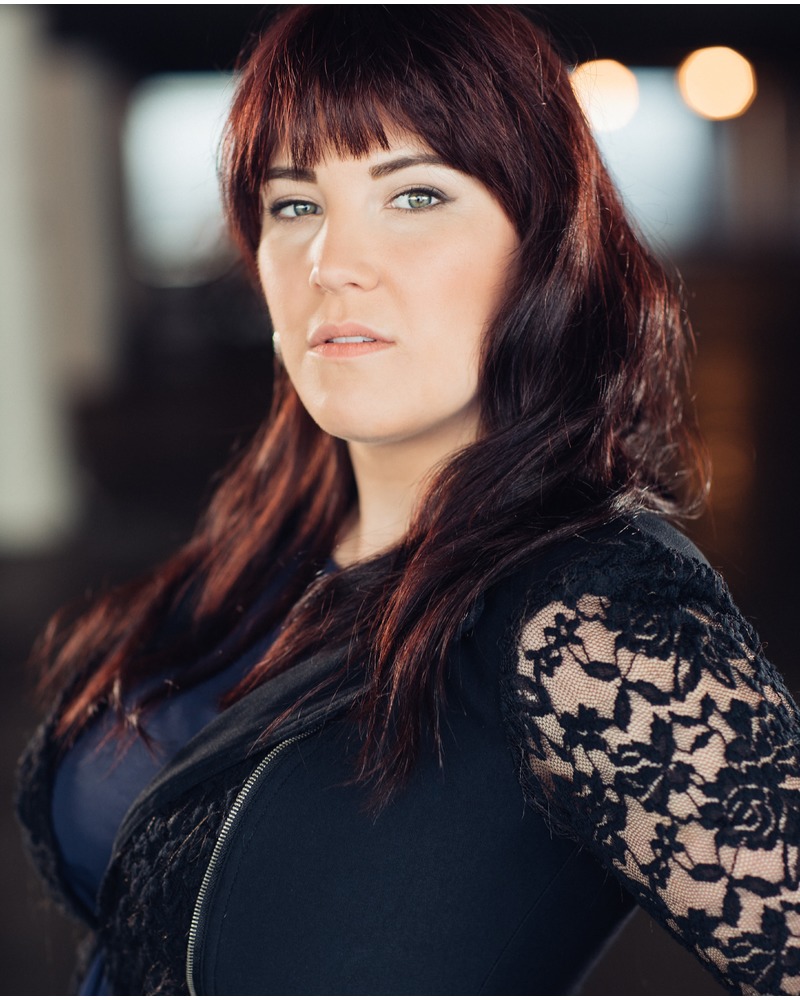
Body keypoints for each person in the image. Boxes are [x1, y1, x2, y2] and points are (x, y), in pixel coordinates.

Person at [16, 5, 800, 995]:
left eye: (415, 195)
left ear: (542, 246)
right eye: (293, 204)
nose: (330, 263)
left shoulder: (591, 616)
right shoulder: (271, 539)